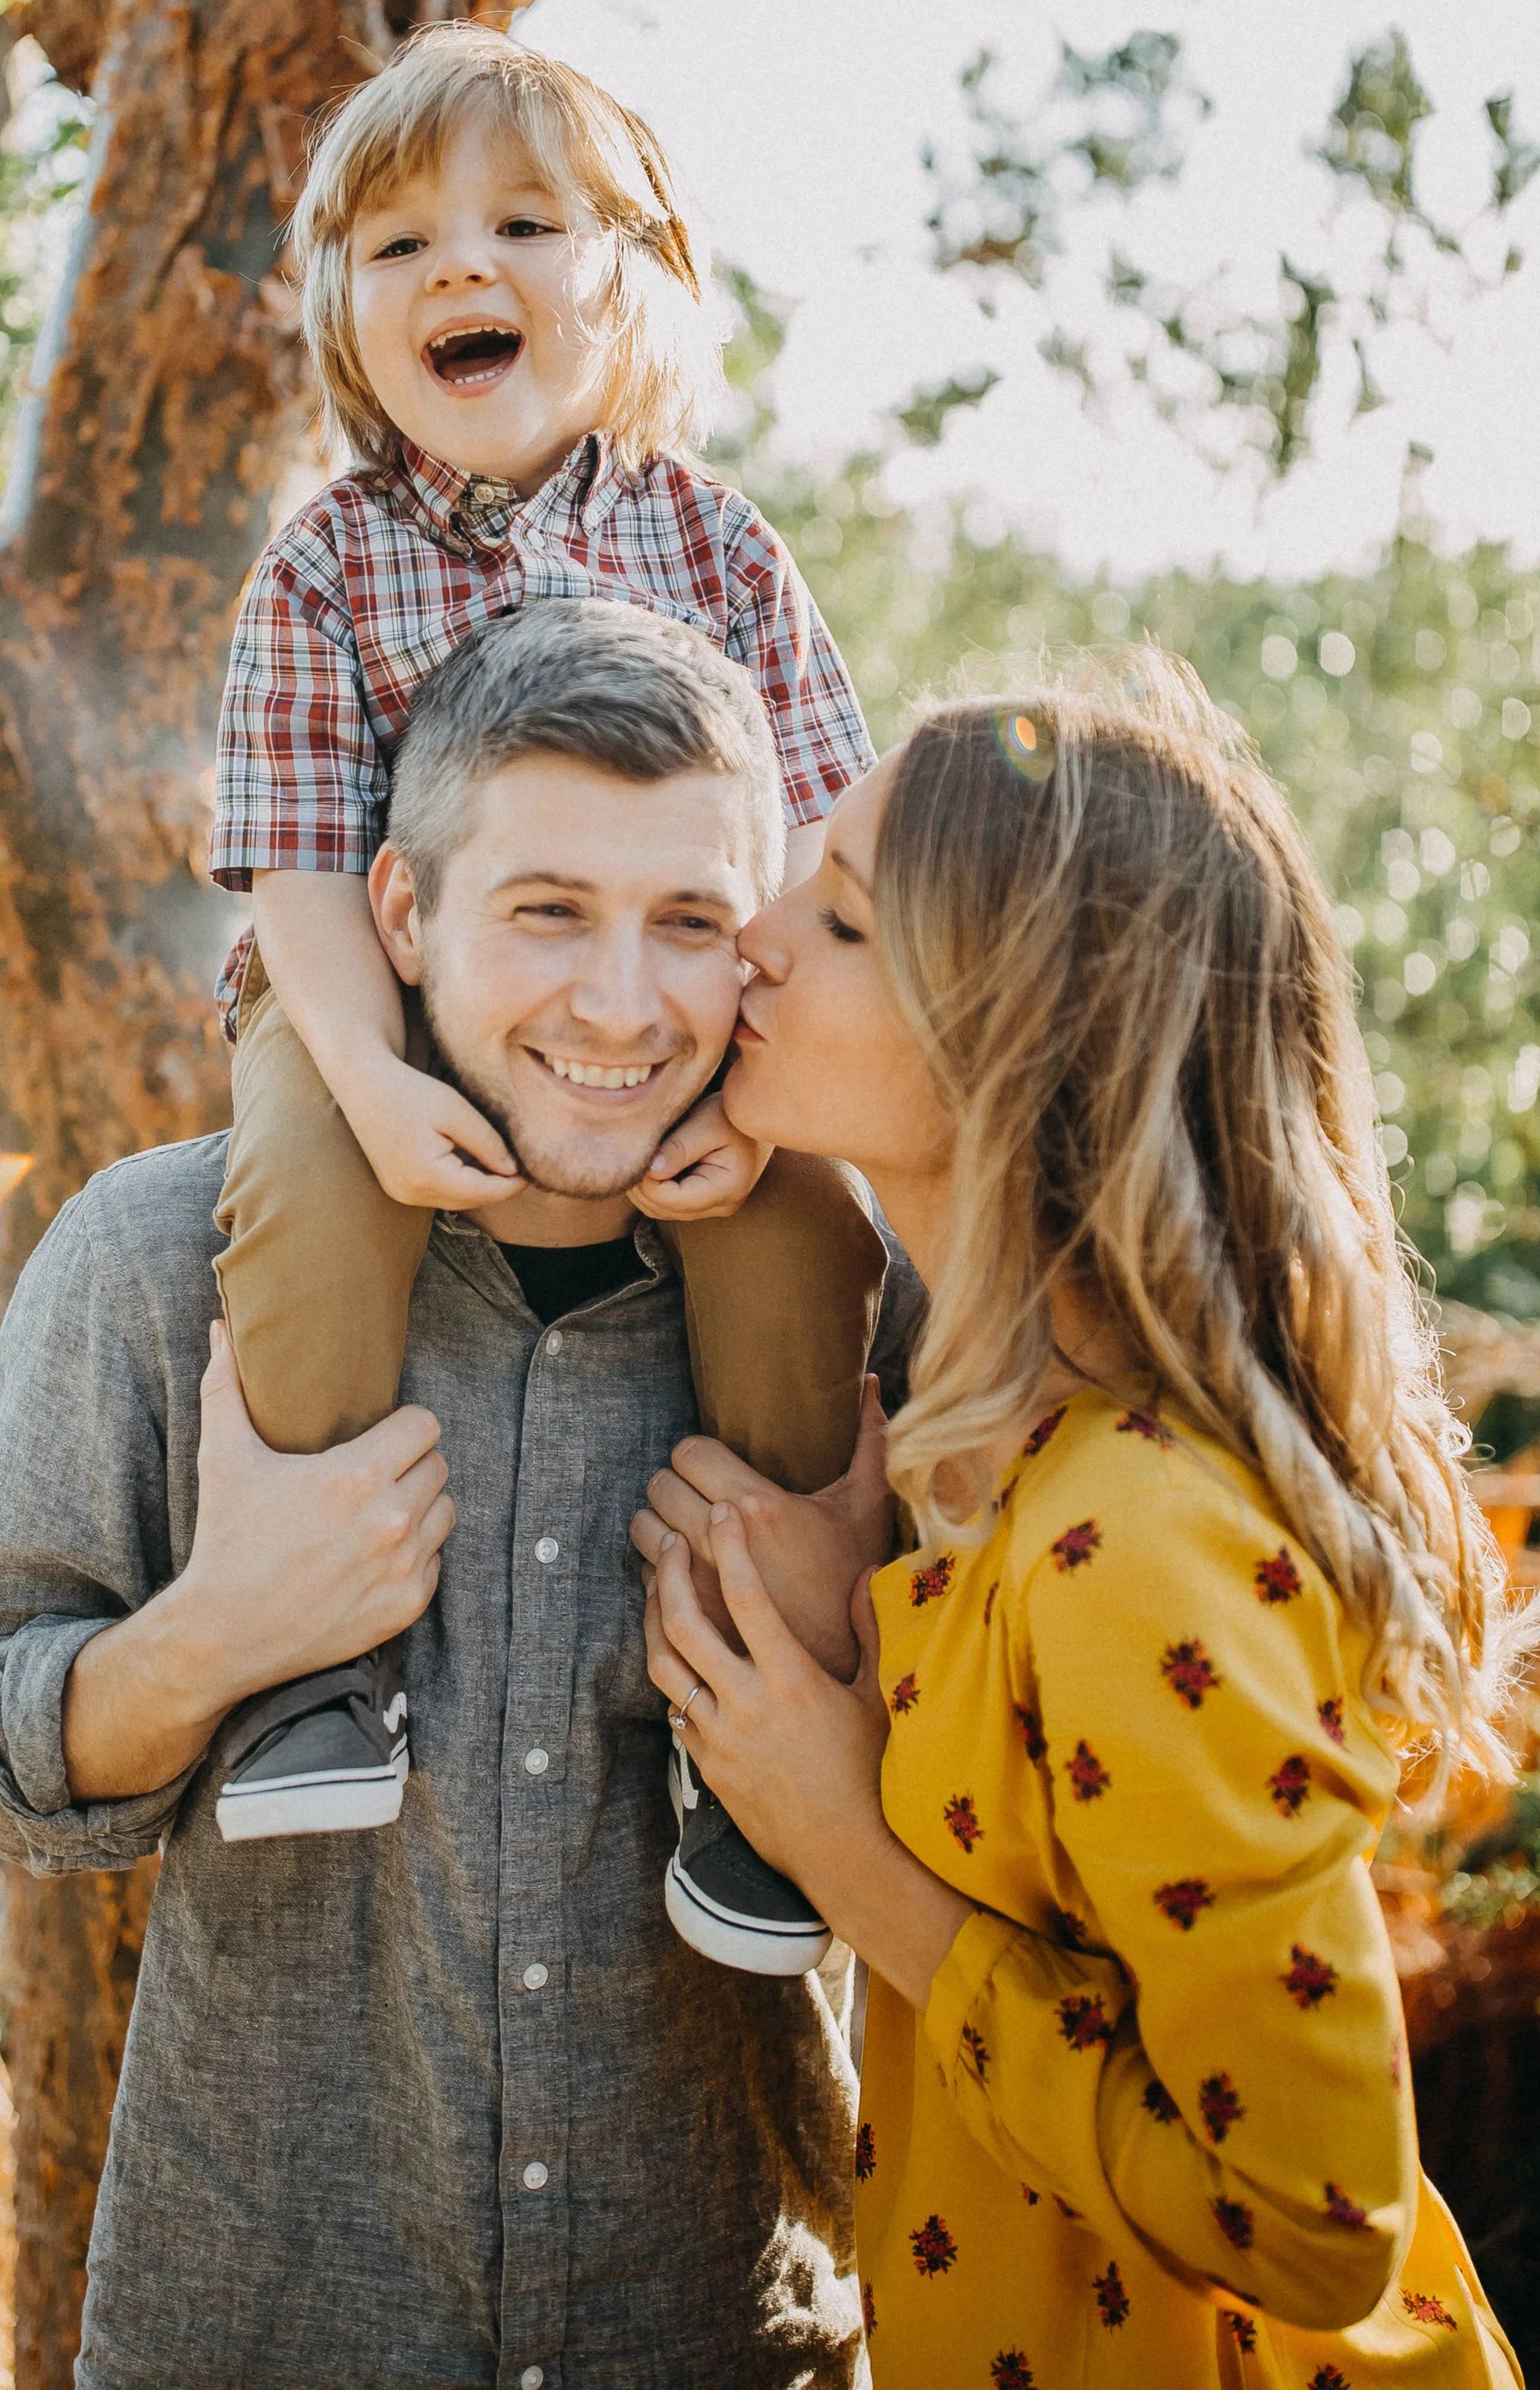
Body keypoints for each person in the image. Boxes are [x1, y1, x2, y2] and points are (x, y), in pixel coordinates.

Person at [0, 600, 922, 2390]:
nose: (620, 1001)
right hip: (265, 2329)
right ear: (397, 917)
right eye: (544, 914)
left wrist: (853, 1666)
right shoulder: (155, 1262)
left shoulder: (865, 1313)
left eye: (686, 922)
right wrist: (216, 1640)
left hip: (722, 2341)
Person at [634, 655, 1529, 2387]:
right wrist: (877, 1625)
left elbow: (1316, 2226)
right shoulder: (1001, 1475)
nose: (750, 933)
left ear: (1007, 1041)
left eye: (835, 919)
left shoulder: (1141, 1543)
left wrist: (844, 1858)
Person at [207, 23, 887, 1918]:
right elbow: (291, 873)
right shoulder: (327, 566)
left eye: (521, 222)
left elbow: (813, 854)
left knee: (797, 1239)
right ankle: (310, 1665)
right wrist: (371, 1075)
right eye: (399, 245)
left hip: (669, 1022)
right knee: (306, 1187)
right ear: (348, 315)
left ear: (634, 278)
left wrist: (754, 1108)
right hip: (378, 999)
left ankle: (751, 1686)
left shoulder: (717, 549)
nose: (458, 270)